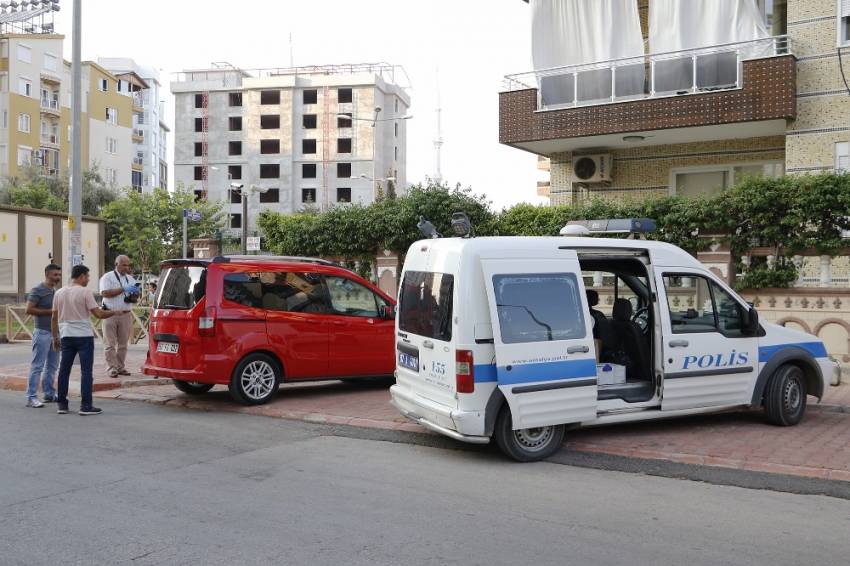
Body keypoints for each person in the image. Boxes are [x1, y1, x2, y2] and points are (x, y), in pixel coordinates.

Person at [52, 264, 120, 415]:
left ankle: (62, 404)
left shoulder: (59, 293)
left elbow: (53, 316)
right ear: (81, 276)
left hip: (66, 335)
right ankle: (86, 406)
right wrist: (115, 312)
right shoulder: (85, 292)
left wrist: (54, 336)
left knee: (64, 370)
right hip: (83, 336)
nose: (88, 279)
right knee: (86, 372)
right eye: (87, 276)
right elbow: (99, 314)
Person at [24, 264, 62, 408]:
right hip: (42, 333)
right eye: (55, 275)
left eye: (59, 275)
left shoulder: (56, 291)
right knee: (37, 366)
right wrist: (51, 312)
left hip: (55, 334)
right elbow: (29, 309)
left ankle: (49, 393)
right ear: (46, 274)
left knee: (52, 366)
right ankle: (31, 397)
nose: (57, 278)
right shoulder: (37, 290)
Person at [98, 255, 140, 378]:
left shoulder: (130, 279)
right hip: (110, 313)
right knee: (110, 344)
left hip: (126, 314)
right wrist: (123, 289)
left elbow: (134, 298)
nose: (126, 267)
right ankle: (112, 368)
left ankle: (120, 367)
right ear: (116, 264)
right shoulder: (107, 277)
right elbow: (105, 293)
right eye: (124, 265)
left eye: (128, 265)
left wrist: (134, 294)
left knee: (123, 344)